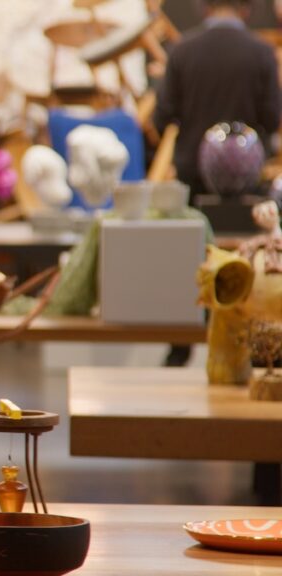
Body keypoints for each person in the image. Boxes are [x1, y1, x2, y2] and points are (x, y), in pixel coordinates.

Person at [153, 0, 282, 367]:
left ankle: (180, 342)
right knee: (250, 262)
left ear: (203, 7)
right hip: (247, 192)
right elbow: (272, 118)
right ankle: (255, 345)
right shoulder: (260, 53)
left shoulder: (183, 50)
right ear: (248, 9)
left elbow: (162, 117)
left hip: (192, 183)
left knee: (190, 263)